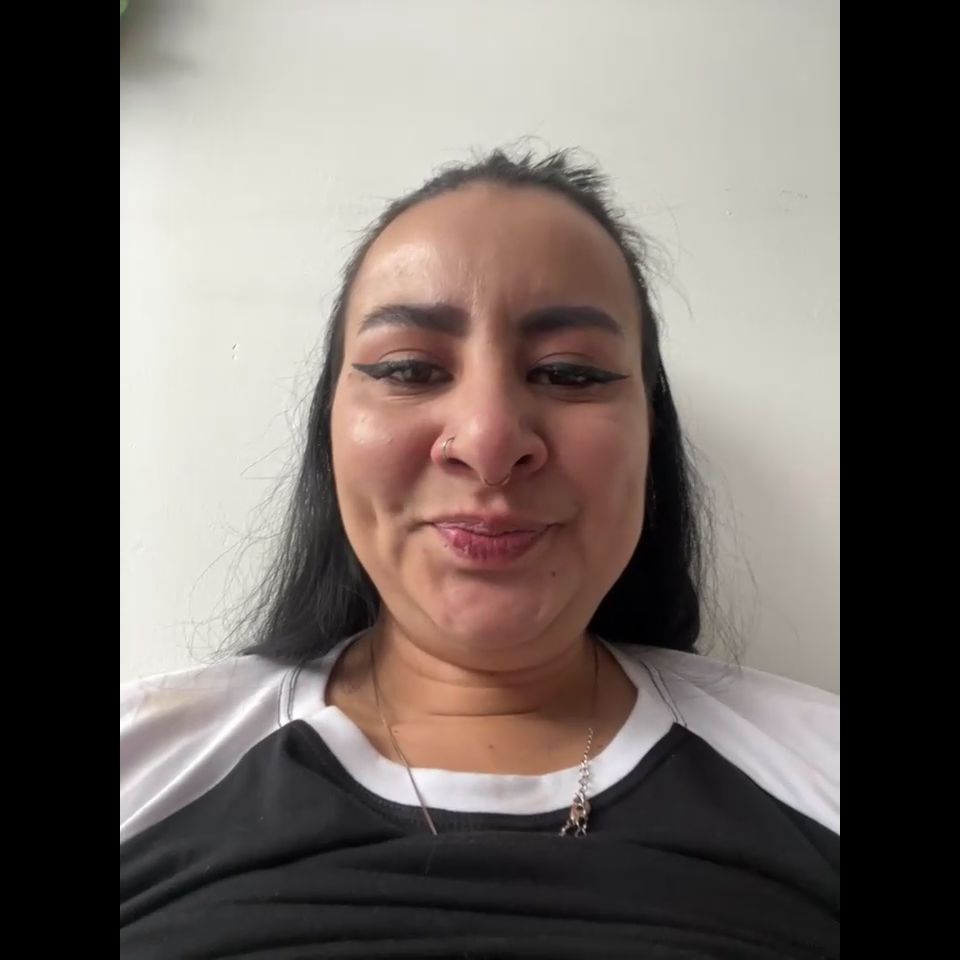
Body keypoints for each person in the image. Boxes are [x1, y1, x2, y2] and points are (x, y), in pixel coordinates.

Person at [120, 149, 839, 959]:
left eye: (569, 373)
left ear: (651, 438)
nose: (490, 441)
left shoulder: (820, 766)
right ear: (331, 435)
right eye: (409, 369)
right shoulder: (143, 764)